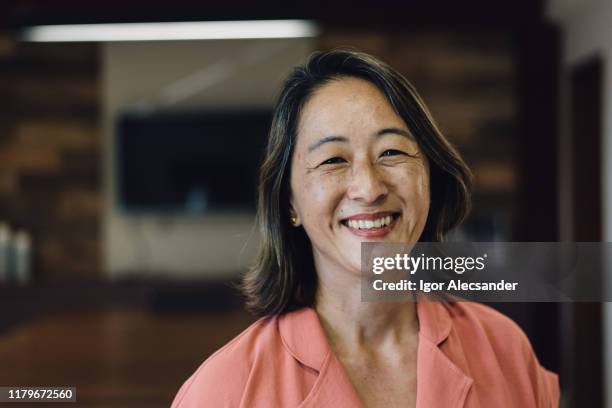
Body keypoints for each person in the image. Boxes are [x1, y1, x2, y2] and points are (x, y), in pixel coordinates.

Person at [171, 49, 559, 407]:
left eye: (391, 152)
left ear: (429, 175)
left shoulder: (505, 350)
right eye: (333, 160)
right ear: (289, 202)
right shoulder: (223, 389)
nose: (369, 188)